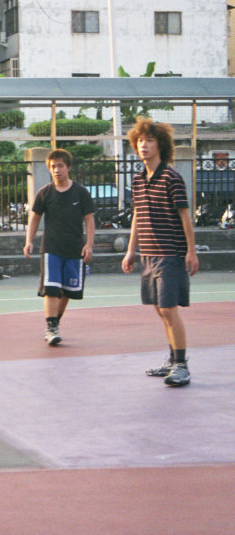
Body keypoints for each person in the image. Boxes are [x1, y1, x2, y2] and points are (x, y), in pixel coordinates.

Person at [122, 117, 198, 387]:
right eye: (140, 141)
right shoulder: (138, 180)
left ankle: (181, 365)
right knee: (159, 309)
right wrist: (131, 250)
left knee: (168, 308)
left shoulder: (171, 178)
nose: (144, 145)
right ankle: (171, 358)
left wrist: (191, 251)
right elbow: (137, 217)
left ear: (160, 145)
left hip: (170, 252)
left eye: (150, 141)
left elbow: (185, 215)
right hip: (148, 255)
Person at [23, 149, 95, 346]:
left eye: (60, 165)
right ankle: (51, 327)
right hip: (51, 248)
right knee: (51, 289)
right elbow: (35, 217)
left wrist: (89, 244)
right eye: (53, 166)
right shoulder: (44, 193)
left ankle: (55, 322)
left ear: (68, 167)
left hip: (74, 249)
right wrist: (29, 240)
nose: (56, 170)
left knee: (67, 291)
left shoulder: (80, 192)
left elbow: (89, 219)